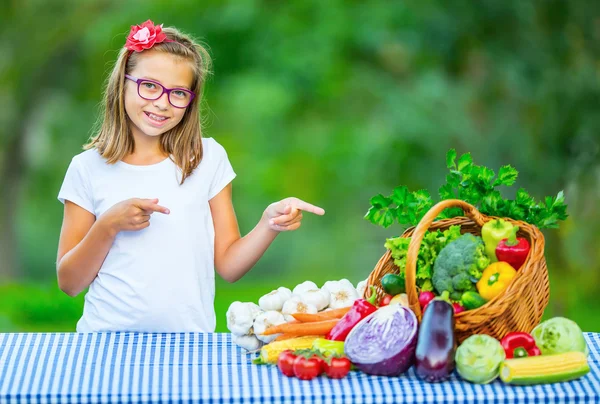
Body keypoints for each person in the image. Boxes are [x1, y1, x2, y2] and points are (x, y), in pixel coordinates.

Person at [56, 20, 325, 333]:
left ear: (190, 101)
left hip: (190, 342)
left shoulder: (207, 159)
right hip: (106, 341)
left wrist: (268, 223)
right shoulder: (87, 168)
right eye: (150, 86)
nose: (161, 102)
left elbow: (229, 265)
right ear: (123, 83)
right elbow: (69, 283)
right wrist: (109, 224)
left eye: (178, 93)